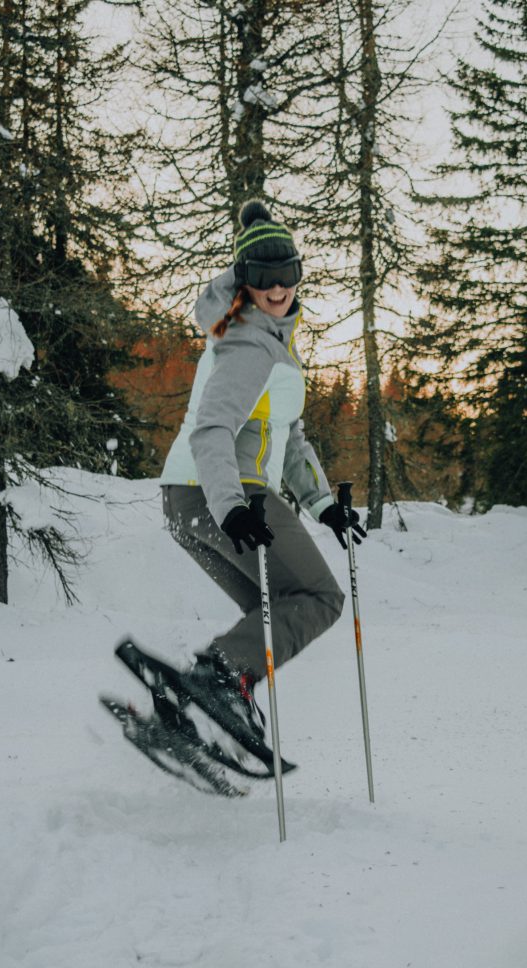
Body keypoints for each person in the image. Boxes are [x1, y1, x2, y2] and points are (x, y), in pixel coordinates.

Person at [157, 199, 365, 752]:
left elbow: (289, 436)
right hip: (221, 492)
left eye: (287, 275)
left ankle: (202, 694)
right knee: (319, 596)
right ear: (244, 280)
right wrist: (231, 508)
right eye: (264, 277)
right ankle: (220, 676)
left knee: (273, 614)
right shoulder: (249, 342)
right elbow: (212, 432)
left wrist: (322, 504)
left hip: (189, 498)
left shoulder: (266, 335)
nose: (278, 289)